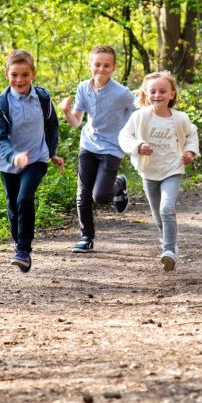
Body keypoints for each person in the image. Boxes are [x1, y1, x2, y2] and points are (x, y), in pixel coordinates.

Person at [0, 49, 64, 273]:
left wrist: (51, 152)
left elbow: (52, 126)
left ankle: (23, 249)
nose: (19, 80)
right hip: (9, 162)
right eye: (14, 75)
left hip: (36, 159)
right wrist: (13, 156)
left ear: (33, 74)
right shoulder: (2, 103)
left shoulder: (42, 98)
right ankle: (18, 245)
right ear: (6, 75)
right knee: (13, 204)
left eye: (25, 75)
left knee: (24, 199)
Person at [118, 71, 198, 271]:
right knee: (157, 214)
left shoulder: (180, 118)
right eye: (152, 91)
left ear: (172, 94)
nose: (157, 95)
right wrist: (138, 146)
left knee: (166, 209)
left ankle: (169, 251)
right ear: (146, 94)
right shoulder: (140, 117)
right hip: (149, 171)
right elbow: (124, 136)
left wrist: (189, 151)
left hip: (172, 169)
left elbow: (191, 134)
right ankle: (168, 241)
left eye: (163, 91)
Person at [60, 45, 136, 253]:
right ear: (90, 65)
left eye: (106, 65)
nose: (101, 69)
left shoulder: (122, 93)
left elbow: (139, 113)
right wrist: (67, 111)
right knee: (82, 194)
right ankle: (86, 238)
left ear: (113, 68)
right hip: (88, 144)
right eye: (97, 64)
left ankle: (119, 184)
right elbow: (76, 122)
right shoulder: (83, 87)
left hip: (112, 146)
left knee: (101, 197)